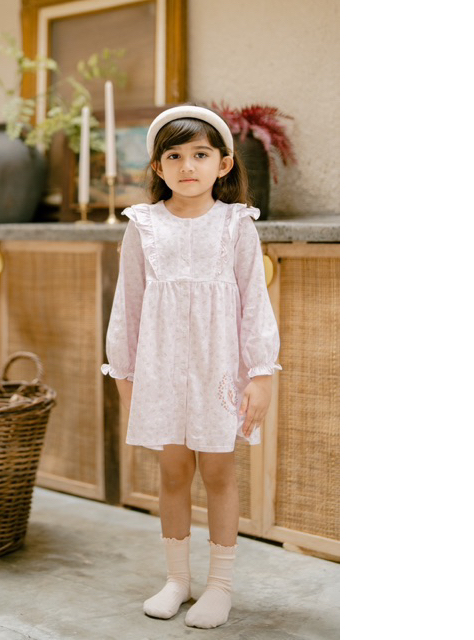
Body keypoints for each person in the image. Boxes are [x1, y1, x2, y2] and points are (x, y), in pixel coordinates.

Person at [101, 104, 281, 629]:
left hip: (217, 370)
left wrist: (261, 373)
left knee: (219, 472)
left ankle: (219, 586)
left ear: (223, 164)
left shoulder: (236, 225)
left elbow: (255, 302)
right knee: (173, 471)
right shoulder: (143, 226)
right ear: (158, 167)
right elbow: (128, 306)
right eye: (174, 156)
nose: (187, 166)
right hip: (159, 372)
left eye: (200, 155)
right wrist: (124, 376)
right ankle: (177, 579)